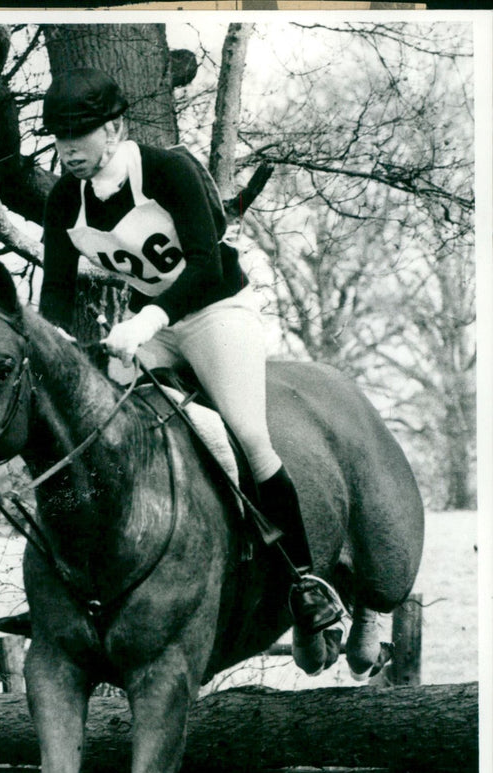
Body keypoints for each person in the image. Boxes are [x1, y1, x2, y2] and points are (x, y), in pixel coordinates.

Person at [38, 67, 343, 637]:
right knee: (102, 432)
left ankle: (303, 582)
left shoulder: (167, 170)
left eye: (79, 136)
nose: (68, 150)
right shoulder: (64, 201)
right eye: (60, 138)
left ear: (114, 129)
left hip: (216, 310)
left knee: (247, 436)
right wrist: (56, 344)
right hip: (152, 325)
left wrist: (146, 320)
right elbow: (54, 289)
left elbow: (203, 264)